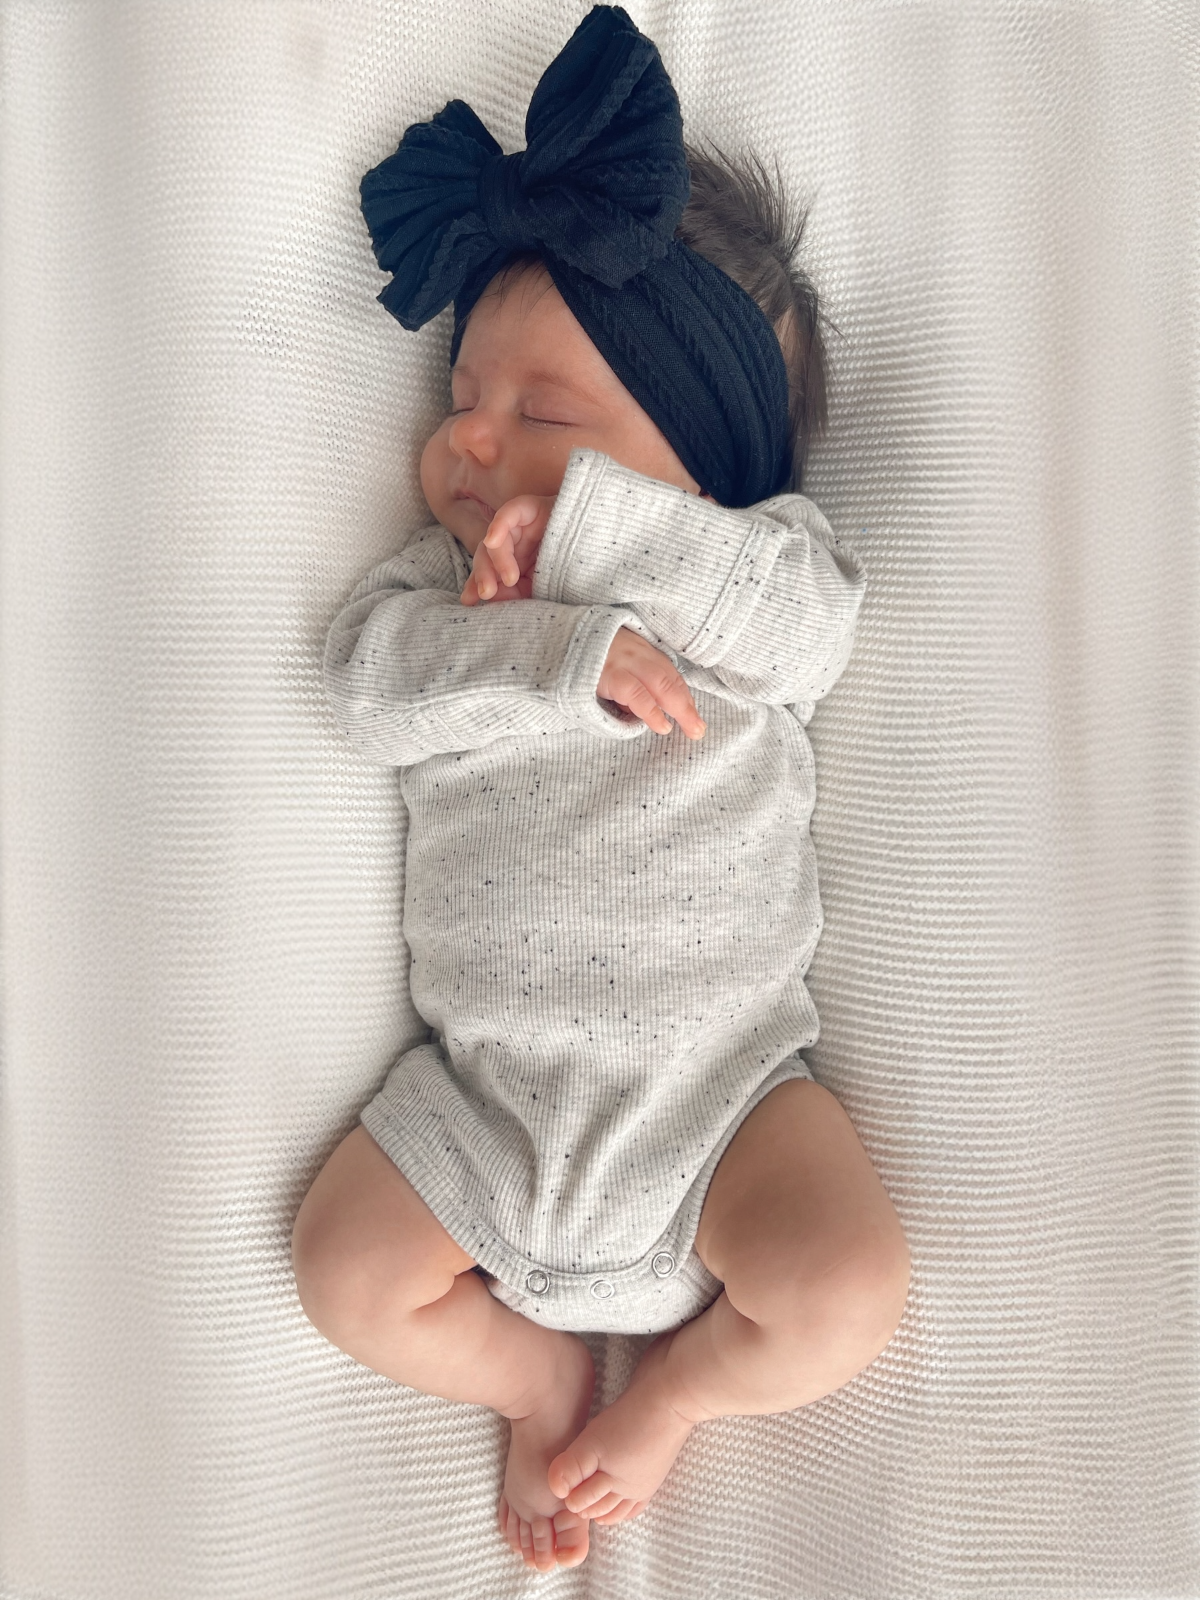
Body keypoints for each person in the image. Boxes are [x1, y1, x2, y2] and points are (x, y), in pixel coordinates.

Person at [291, 4, 911, 1574]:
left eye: (542, 417)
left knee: (845, 1283)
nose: (472, 446)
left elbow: (814, 620)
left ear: (696, 471)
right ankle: (534, 1374)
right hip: (484, 1112)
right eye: (465, 402)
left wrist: (603, 560)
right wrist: (538, 656)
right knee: (344, 1270)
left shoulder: (756, 598)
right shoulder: (439, 609)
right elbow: (364, 690)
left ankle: (677, 1397)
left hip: (726, 1110)